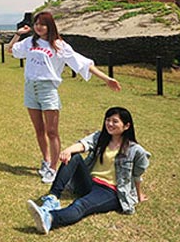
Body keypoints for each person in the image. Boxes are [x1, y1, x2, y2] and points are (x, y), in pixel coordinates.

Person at [8, 11, 121, 183]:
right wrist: (17, 34)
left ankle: (53, 168)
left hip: (48, 89)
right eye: (37, 23)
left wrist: (106, 78)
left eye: (42, 24)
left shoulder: (59, 45)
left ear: (50, 26)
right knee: (39, 130)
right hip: (30, 88)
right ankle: (46, 161)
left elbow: (82, 63)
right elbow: (11, 50)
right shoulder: (30, 42)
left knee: (51, 131)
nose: (39, 27)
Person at [26, 106, 150, 235]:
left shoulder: (136, 151)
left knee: (81, 204)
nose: (109, 124)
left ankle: (50, 219)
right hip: (90, 182)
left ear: (126, 126)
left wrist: (138, 195)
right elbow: (84, 144)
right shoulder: (100, 137)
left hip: (110, 191)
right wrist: (68, 150)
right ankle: (52, 198)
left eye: (115, 121)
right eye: (108, 120)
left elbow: (137, 175)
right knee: (74, 156)